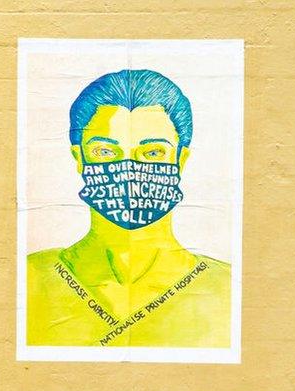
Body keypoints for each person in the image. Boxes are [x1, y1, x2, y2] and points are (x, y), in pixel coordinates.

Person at [26, 68, 231, 348]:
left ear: (180, 160)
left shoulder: (229, 288)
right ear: (79, 158)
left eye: (153, 152)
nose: (129, 169)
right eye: (105, 151)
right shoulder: (30, 276)